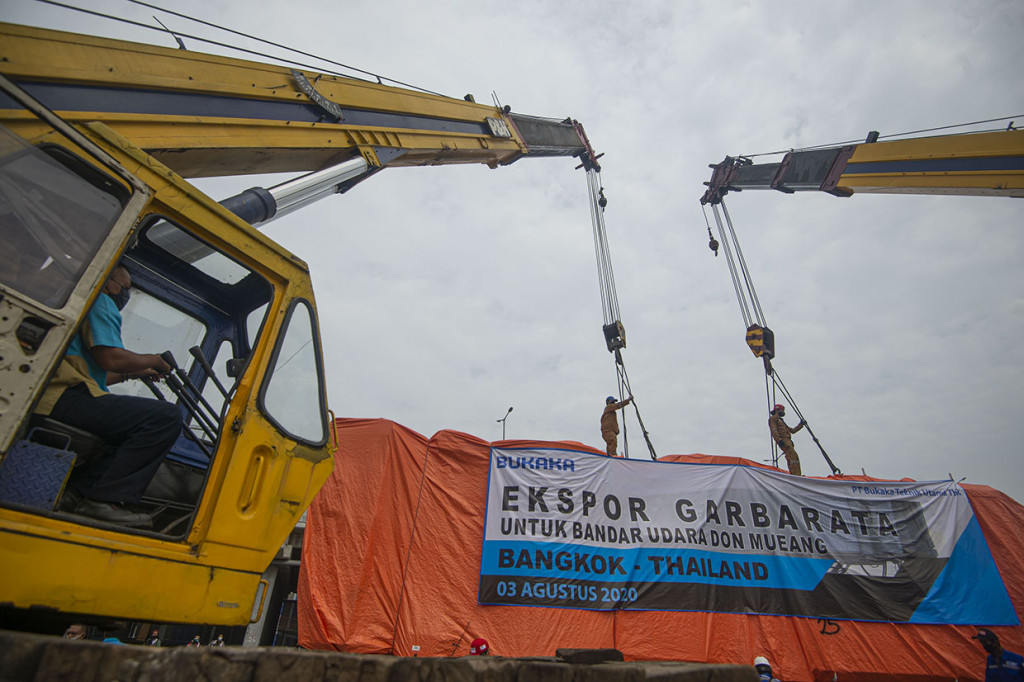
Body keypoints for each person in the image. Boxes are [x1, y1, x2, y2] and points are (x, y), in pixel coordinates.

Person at [34, 264, 183, 528]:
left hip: (55, 395)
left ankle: (74, 495)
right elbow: (111, 358)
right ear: (106, 280)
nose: (125, 294)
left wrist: (135, 373)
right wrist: (155, 360)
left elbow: (97, 376)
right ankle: (103, 501)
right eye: (125, 288)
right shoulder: (100, 299)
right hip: (63, 395)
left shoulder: (75, 304)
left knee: (124, 429)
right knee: (165, 417)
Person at [768, 404, 805, 476]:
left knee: (794, 457)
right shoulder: (773, 419)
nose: (783, 412)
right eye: (782, 410)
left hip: (788, 441)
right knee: (792, 456)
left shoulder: (781, 421)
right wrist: (779, 440)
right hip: (783, 440)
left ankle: (796, 474)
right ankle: (796, 475)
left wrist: (801, 425)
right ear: (777, 410)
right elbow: (774, 430)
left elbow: (792, 431)